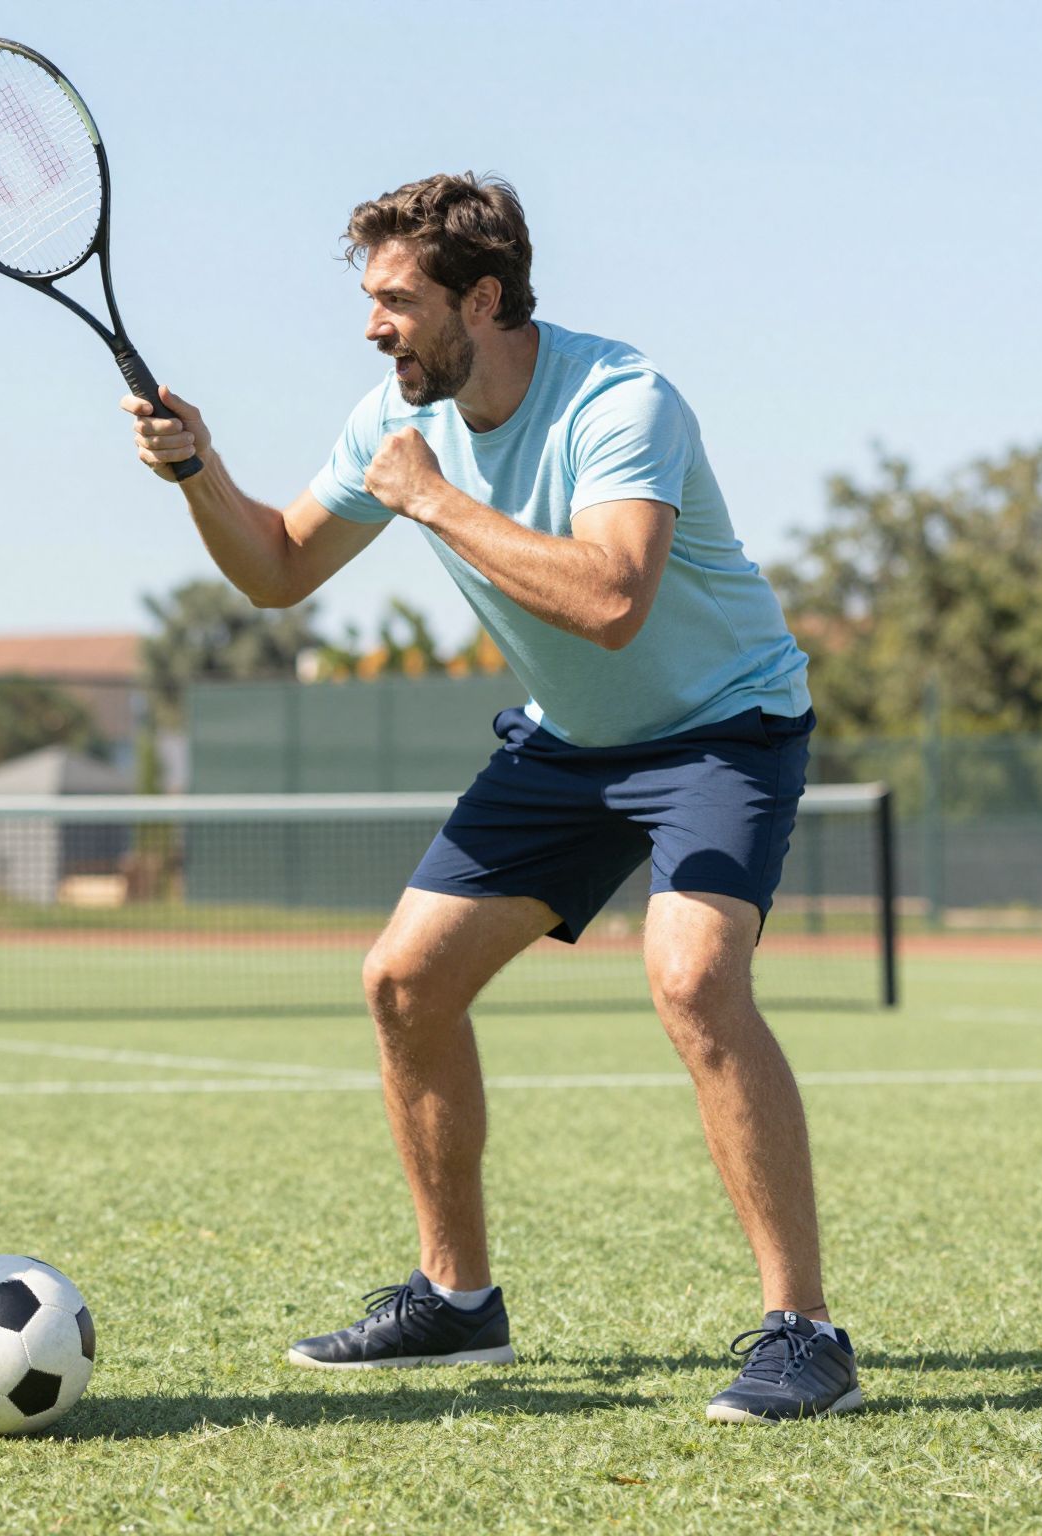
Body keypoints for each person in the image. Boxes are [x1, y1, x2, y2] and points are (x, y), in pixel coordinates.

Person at [122, 173, 859, 1423]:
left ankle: (804, 1334)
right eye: (367, 300)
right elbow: (278, 571)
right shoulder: (390, 423)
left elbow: (613, 603)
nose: (372, 326)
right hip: (567, 746)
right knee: (402, 981)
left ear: (482, 295)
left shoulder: (623, 399)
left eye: (395, 300)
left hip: (720, 731)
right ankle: (455, 1302)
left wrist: (434, 499)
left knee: (691, 977)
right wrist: (199, 472)